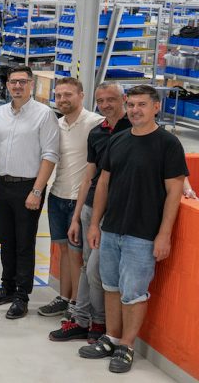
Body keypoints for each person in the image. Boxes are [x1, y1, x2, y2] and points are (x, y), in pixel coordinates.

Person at [82, 85, 187, 373]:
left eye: (142, 104)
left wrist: (164, 234)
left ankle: (126, 346)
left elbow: (174, 192)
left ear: (156, 107)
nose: (135, 110)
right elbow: (103, 184)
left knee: (133, 292)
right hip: (111, 229)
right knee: (111, 286)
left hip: (143, 234)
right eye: (131, 105)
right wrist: (95, 224)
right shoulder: (118, 140)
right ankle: (111, 338)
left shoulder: (168, 144)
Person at [0, 65, 60, 319]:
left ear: (31, 85)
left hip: (28, 186)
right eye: (13, 81)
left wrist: (37, 190)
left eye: (23, 82)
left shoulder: (44, 114)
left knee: (24, 243)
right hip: (2, 184)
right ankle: (8, 287)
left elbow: (50, 155)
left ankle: (22, 296)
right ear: (7, 84)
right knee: (6, 239)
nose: (17, 86)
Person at [50, 82, 129, 343]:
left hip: (115, 212)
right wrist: (76, 217)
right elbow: (89, 177)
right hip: (89, 207)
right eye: (101, 100)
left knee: (96, 269)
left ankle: (99, 322)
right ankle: (82, 320)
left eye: (111, 99)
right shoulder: (97, 132)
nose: (106, 105)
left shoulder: (134, 129)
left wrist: (186, 187)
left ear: (123, 99)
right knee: (86, 266)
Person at [38, 77, 104, 318]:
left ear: (81, 96)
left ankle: (78, 303)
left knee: (78, 255)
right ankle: (64, 297)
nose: (62, 99)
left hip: (80, 200)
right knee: (63, 251)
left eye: (68, 94)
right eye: (59, 95)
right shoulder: (57, 124)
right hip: (57, 195)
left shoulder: (95, 123)